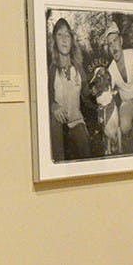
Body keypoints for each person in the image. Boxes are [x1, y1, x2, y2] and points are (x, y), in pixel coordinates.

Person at [104, 21, 133, 153]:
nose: (114, 47)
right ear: (108, 49)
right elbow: (107, 95)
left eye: (115, 41)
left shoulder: (130, 54)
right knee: (124, 128)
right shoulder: (111, 69)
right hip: (127, 104)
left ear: (121, 40)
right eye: (110, 44)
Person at [47, 18, 90, 161]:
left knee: (85, 148)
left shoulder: (78, 68)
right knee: (55, 122)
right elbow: (46, 97)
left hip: (76, 120)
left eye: (67, 35)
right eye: (59, 35)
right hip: (58, 122)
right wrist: (53, 106)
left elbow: (88, 95)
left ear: (72, 40)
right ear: (55, 40)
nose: (64, 39)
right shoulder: (51, 70)